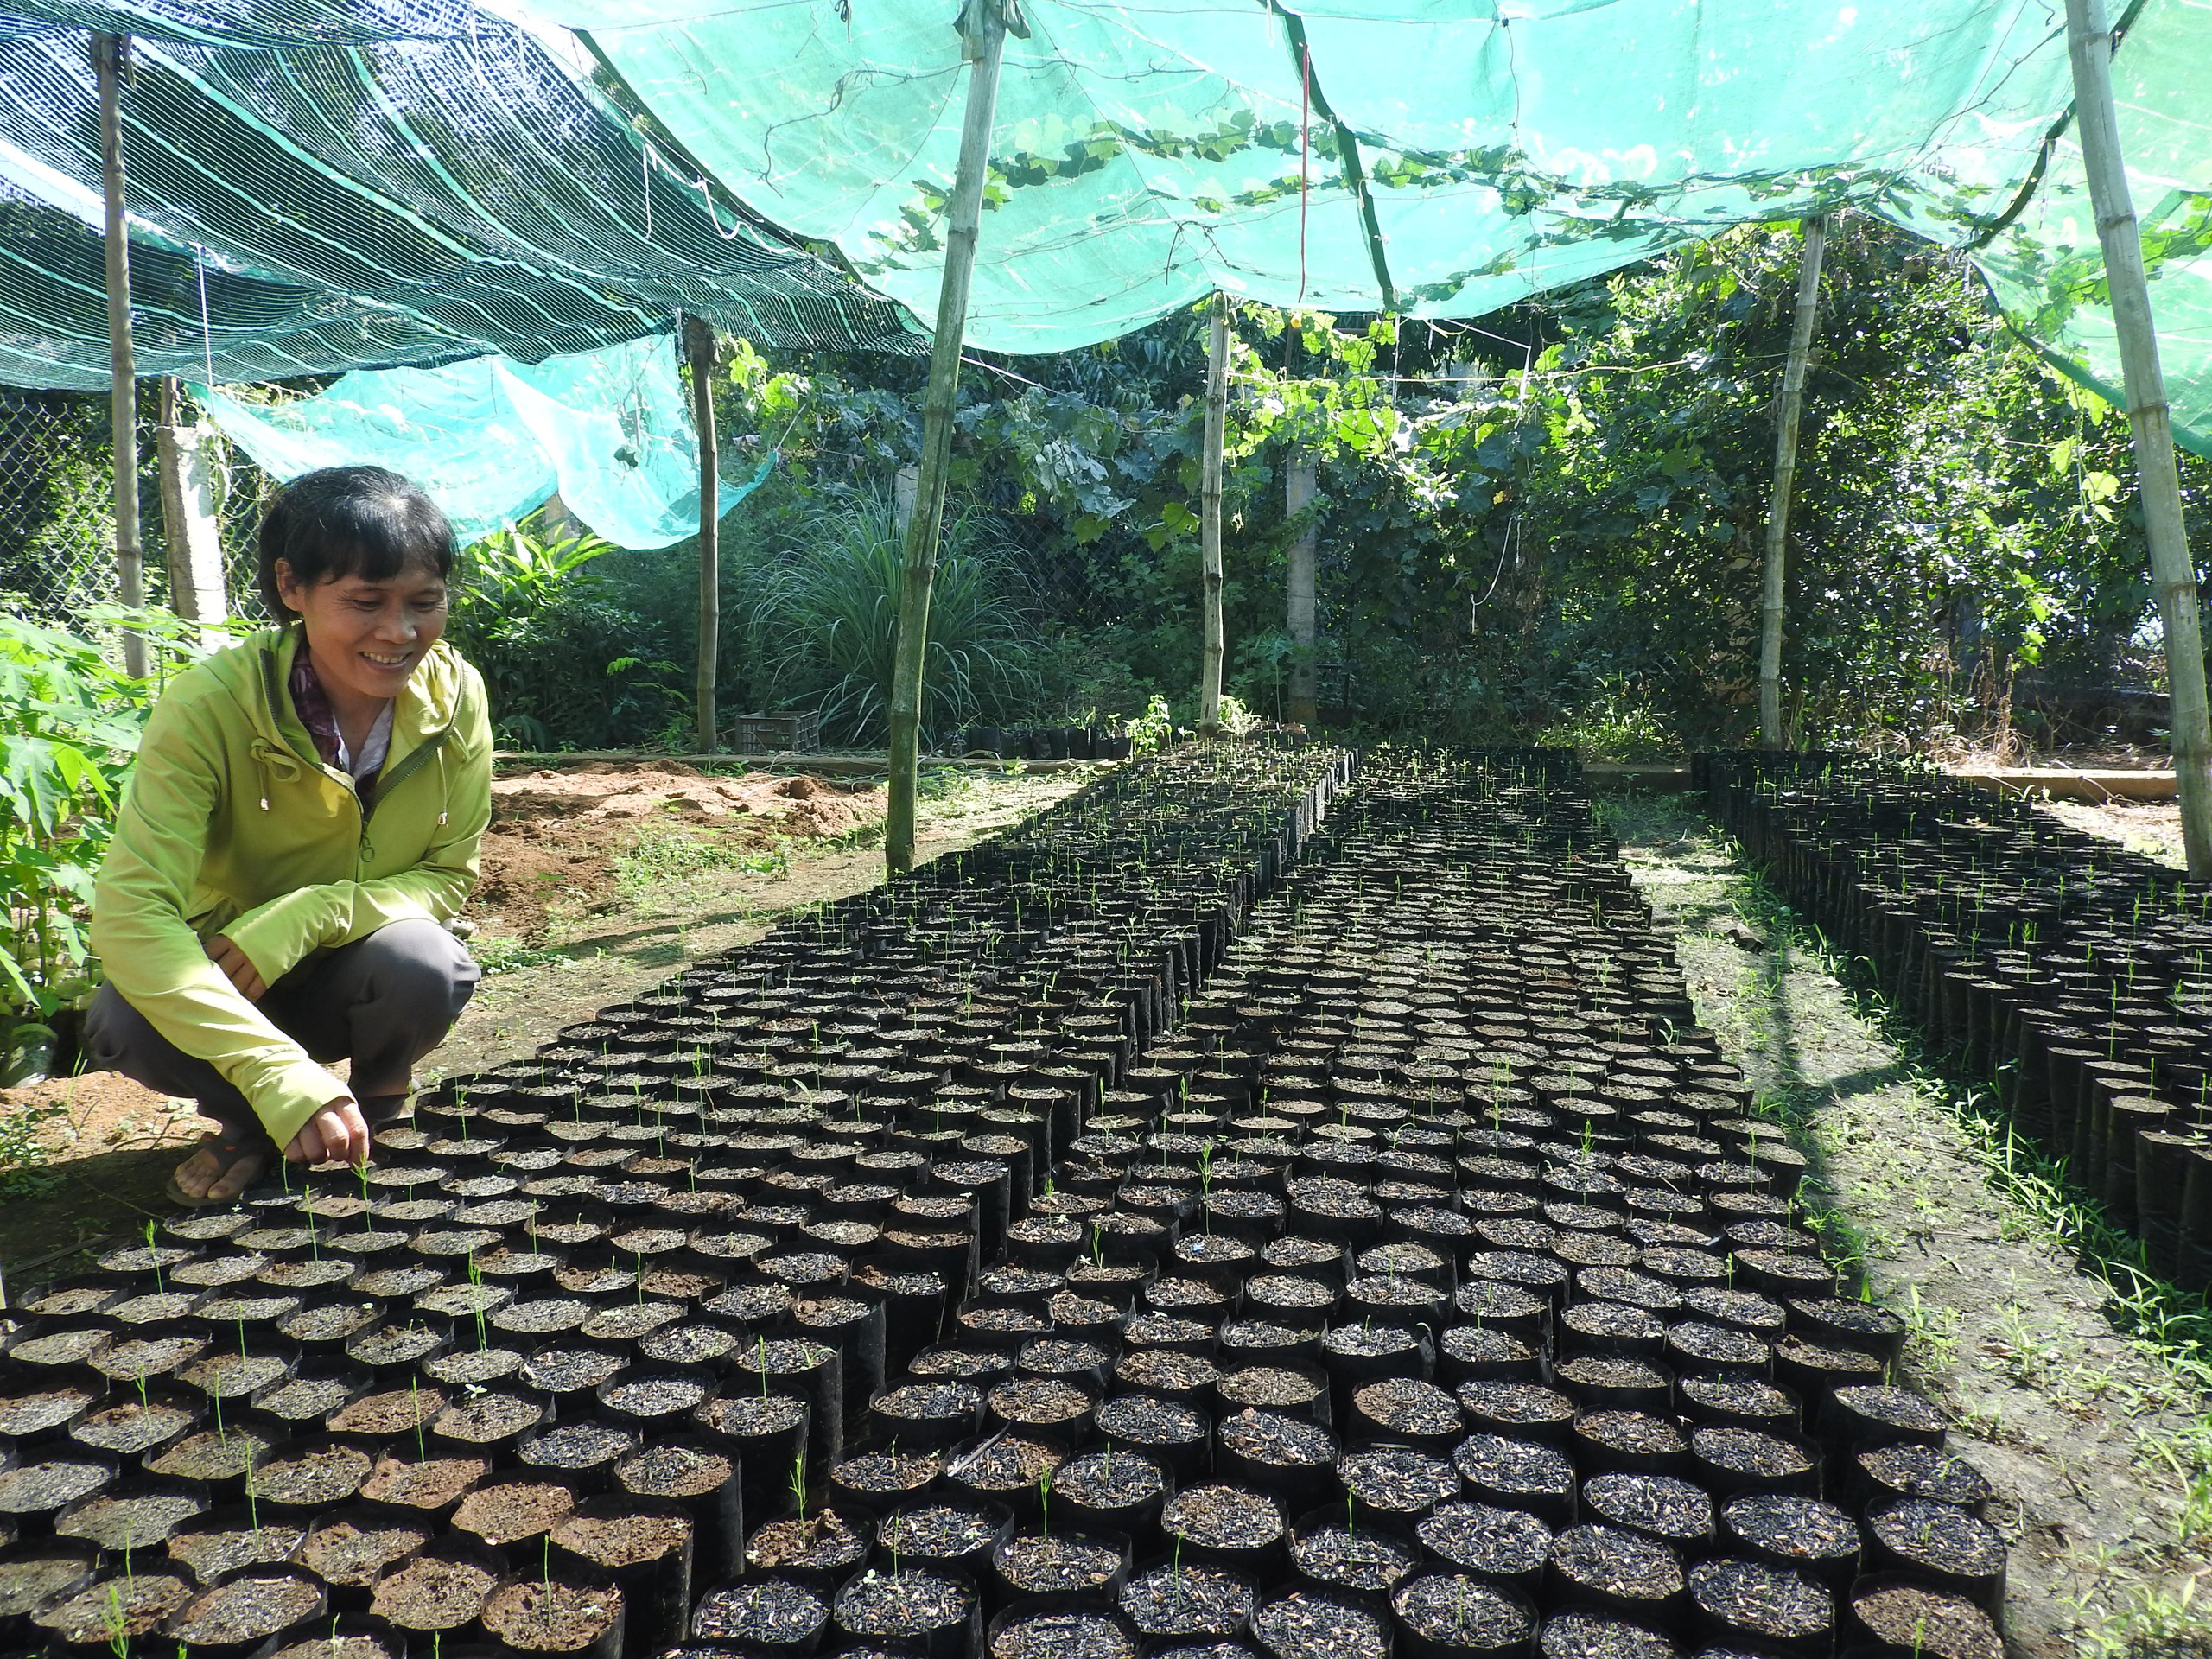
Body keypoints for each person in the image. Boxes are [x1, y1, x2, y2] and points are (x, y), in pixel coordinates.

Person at [86, 465, 492, 1206]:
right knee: (125, 1016)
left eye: (424, 604)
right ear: (291, 587)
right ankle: (252, 1117)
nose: (399, 635)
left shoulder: (455, 695)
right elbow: (129, 914)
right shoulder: (210, 707)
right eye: (364, 603)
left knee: (424, 960)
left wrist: (311, 914)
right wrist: (274, 1072)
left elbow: (449, 875)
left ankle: (374, 1104)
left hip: (357, 975)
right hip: (234, 977)